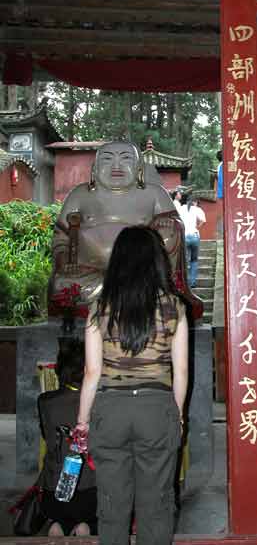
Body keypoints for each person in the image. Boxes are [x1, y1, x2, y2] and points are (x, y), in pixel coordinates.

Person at [74, 226, 189, 545]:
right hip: (156, 410)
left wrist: (82, 422)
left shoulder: (100, 308)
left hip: (110, 412)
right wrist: (177, 416)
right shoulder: (174, 307)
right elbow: (180, 371)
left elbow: (91, 372)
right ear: (157, 261)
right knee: (157, 506)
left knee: (112, 507)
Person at [49, 140, 202, 321]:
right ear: (94, 169)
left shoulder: (154, 193)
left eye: (126, 159)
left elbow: (175, 226)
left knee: (170, 234)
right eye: (107, 159)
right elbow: (61, 236)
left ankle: (131, 290)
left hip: (141, 271)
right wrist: (63, 259)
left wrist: (167, 224)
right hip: (90, 273)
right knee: (61, 285)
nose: (116, 166)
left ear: (139, 169)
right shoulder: (80, 194)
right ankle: (134, 293)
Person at [37, 339, 97, 537]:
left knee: (58, 523)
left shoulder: (45, 401)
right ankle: (85, 528)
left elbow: (46, 436)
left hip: (54, 490)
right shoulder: (100, 402)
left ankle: (58, 526)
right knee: (90, 522)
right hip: (91, 491)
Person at [180, 197, 206, 288]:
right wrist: (197, 227)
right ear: (194, 202)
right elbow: (203, 220)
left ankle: (184, 282)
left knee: (184, 260)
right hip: (194, 236)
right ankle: (192, 282)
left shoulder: (181, 208)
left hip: (184, 236)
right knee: (194, 260)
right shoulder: (197, 209)